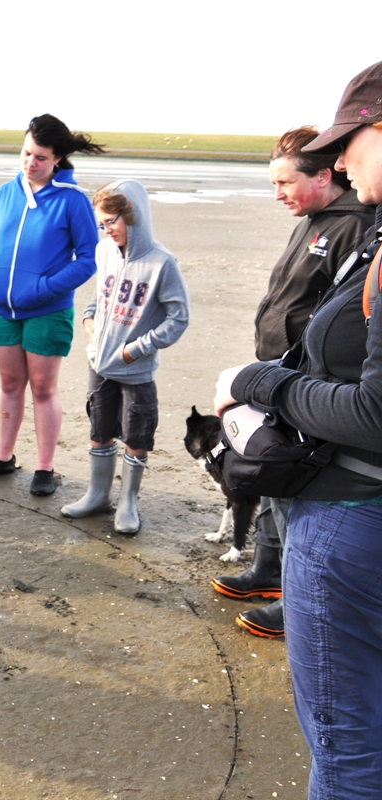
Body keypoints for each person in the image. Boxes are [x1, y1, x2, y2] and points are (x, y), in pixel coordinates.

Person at [213, 60, 382, 799]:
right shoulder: (353, 227)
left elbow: (374, 410)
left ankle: (275, 576)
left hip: (352, 513)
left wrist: (260, 384)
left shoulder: (357, 228)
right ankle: (269, 570)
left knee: (347, 750)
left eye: (349, 142)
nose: (340, 159)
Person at [210, 126, 374, 638]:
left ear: (324, 175)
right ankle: (268, 568)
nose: (277, 193)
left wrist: (287, 378)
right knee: (268, 474)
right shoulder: (311, 221)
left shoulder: (355, 225)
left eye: (285, 182)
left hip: (304, 386)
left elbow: (341, 321)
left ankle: (292, 595)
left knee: (287, 478)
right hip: (274, 372)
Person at [0, 114, 104, 495]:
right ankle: (3, 457)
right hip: (1, 308)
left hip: (48, 310)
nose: (31, 162)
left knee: (43, 389)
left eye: (41, 157)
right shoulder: (3, 194)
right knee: (10, 383)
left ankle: (44, 468)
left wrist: (44, 288)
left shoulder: (73, 201)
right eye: (27, 153)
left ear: (57, 158)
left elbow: (88, 259)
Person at [60, 181, 189, 533]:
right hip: (99, 364)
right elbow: (100, 295)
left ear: (133, 215)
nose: (107, 230)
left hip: (136, 371)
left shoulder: (162, 262)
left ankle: (128, 503)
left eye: (111, 221)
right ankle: (97, 494)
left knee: (137, 435)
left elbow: (178, 319)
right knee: (99, 429)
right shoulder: (104, 251)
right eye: (101, 224)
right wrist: (88, 317)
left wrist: (137, 349)